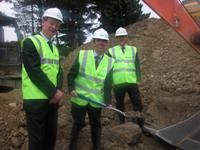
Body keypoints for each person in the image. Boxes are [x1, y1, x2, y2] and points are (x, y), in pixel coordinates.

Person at [21, 8, 64, 150]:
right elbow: (34, 72)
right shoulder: (30, 42)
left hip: (52, 102)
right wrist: (53, 92)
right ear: (43, 22)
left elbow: (59, 72)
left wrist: (57, 91)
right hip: (36, 101)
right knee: (37, 143)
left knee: (50, 141)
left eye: (57, 25)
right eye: (52, 23)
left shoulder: (55, 48)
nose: (54, 27)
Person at [67, 28, 114, 150]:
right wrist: (71, 88)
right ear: (94, 42)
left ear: (107, 43)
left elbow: (108, 84)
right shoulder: (83, 55)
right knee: (77, 124)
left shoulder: (110, 62)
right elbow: (71, 74)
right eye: (99, 40)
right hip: (79, 98)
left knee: (96, 125)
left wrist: (108, 101)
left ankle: (96, 146)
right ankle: (72, 146)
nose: (101, 43)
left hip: (95, 101)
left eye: (104, 41)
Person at [108, 27, 144, 126]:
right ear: (116, 38)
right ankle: (122, 124)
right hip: (118, 82)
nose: (121, 38)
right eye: (119, 37)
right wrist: (110, 81)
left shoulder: (133, 49)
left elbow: (137, 65)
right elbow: (109, 68)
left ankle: (141, 125)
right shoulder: (111, 51)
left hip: (131, 81)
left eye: (123, 36)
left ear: (126, 37)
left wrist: (139, 78)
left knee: (137, 104)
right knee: (120, 104)